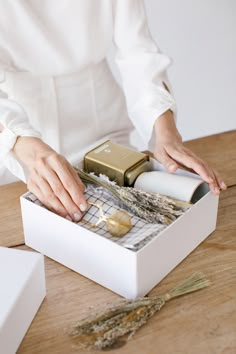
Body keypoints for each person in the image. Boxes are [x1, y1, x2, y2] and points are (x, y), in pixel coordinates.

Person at [0, 0, 226, 222]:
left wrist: (165, 130)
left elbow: (138, 54)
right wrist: (18, 141)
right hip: (17, 144)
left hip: (102, 133)